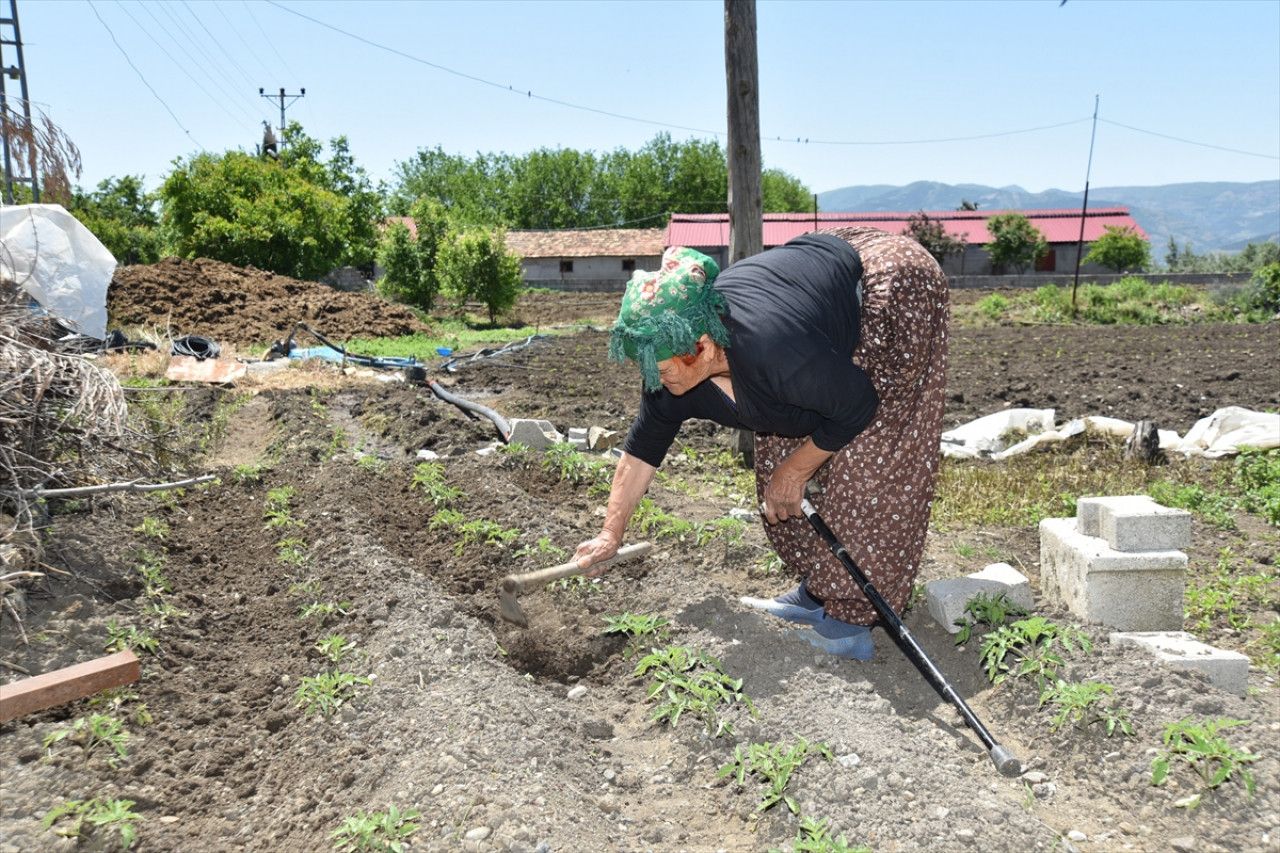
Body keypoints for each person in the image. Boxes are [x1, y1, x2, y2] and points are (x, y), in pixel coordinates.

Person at [573, 229, 949, 660]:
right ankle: (819, 590)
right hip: (807, 300)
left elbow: (857, 403)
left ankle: (851, 621)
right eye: (650, 366)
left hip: (886, 278)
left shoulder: (772, 347)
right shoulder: (667, 374)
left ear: (703, 344)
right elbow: (640, 452)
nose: (660, 377)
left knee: (869, 448)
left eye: (667, 364)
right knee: (781, 442)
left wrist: (795, 471)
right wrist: (610, 533)